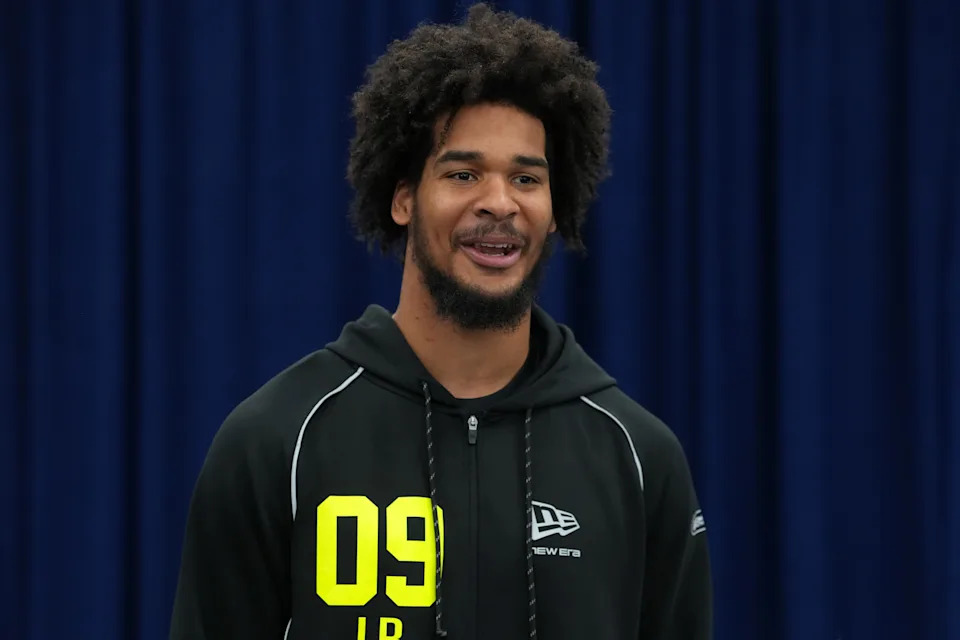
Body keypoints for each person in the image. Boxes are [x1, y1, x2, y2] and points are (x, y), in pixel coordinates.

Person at [169, 4, 712, 639]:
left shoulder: (638, 456)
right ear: (403, 197)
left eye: (526, 178)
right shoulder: (276, 441)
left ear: (555, 208)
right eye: (463, 173)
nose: (499, 202)